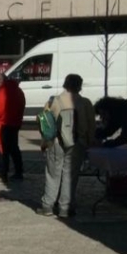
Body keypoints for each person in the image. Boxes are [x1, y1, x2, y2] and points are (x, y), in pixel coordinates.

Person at [37, 74, 96, 217]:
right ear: (79, 86)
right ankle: (65, 208)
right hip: (77, 143)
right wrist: (89, 143)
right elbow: (91, 126)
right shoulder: (86, 103)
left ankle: (48, 206)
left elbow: (46, 126)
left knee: (52, 174)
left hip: (56, 143)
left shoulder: (53, 101)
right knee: (70, 176)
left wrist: (44, 144)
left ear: (65, 84)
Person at [0, 73, 26, 180]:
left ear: (2, 80)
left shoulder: (2, 91)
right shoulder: (18, 90)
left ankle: (3, 173)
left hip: (3, 123)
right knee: (14, 148)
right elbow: (22, 106)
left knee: (2, 149)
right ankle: (18, 172)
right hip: (15, 123)